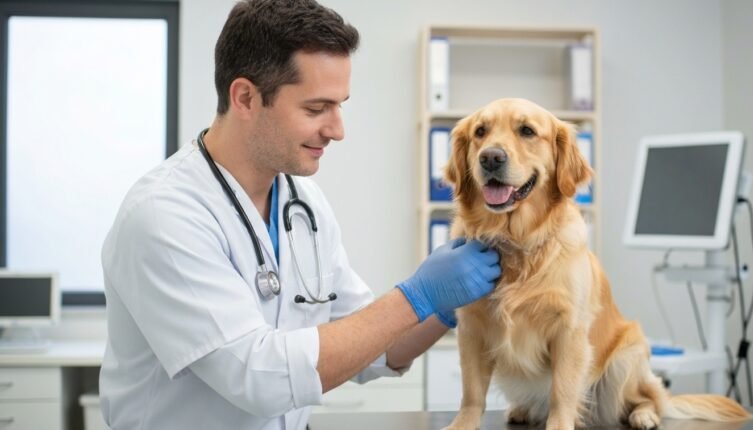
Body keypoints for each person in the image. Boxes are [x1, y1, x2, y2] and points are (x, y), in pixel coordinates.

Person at [98, 0, 500, 428]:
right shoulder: (164, 215)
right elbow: (257, 378)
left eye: (340, 105)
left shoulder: (304, 204)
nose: (337, 130)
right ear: (245, 98)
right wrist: (415, 297)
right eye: (316, 109)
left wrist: (443, 307)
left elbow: (373, 346)